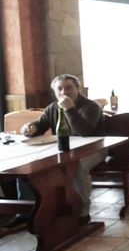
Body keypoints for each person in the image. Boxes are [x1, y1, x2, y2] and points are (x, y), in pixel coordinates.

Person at [17, 74, 106, 225]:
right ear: (55, 91)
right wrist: (30, 128)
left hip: (94, 149)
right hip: (63, 149)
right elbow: (40, 126)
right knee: (26, 165)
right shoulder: (52, 107)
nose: (64, 92)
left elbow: (84, 132)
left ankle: (83, 209)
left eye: (69, 88)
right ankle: (29, 211)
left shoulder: (91, 106)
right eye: (59, 89)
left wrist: (70, 109)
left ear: (78, 89)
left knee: (78, 166)